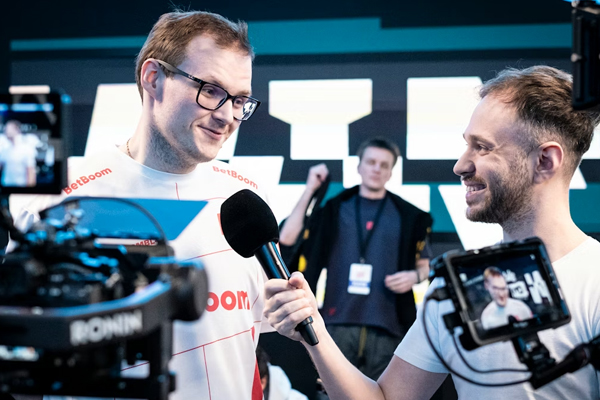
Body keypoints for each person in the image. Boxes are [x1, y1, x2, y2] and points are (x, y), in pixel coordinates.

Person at [263, 65, 600, 399]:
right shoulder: (454, 287)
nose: (460, 165)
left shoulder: (595, 280)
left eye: (483, 147)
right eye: (467, 144)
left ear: (545, 161)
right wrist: (314, 330)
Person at [13, 10, 266, 400]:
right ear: (153, 78)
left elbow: (248, 355)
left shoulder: (247, 204)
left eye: (239, 100)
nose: (226, 116)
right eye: (211, 90)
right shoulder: (58, 200)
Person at [278, 138, 432, 381]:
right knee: (332, 393)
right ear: (359, 167)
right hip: (335, 322)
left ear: (391, 172)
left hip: (388, 326)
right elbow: (287, 239)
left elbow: (425, 266)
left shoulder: (409, 216)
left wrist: (415, 276)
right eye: (371, 162)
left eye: (384, 165)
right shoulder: (335, 209)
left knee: (385, 395)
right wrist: (310, 189)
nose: (376, 169)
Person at [0, 120, 36, 187]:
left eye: (8, 128)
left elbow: (30, 172)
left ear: (17, 130)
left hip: (21, 186)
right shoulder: (5, 150)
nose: (6, 131)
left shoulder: (26, 149)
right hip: (6, 185)